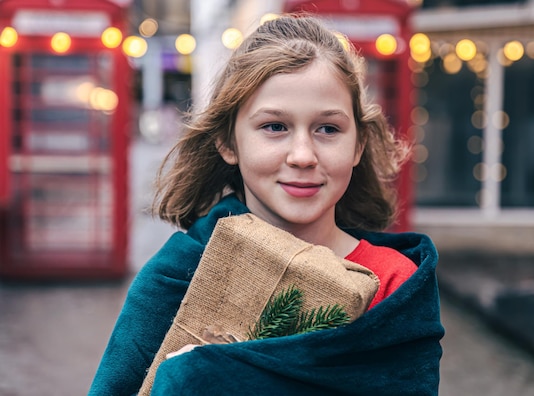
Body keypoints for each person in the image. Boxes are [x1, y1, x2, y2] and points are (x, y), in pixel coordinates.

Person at [89, 14, 443, 396]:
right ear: (228, 143)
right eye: (275, 127)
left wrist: (203, 372)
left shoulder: (395, 283)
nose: (303, 155)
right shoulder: (177, 274)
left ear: (358, 145)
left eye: (328, 129)